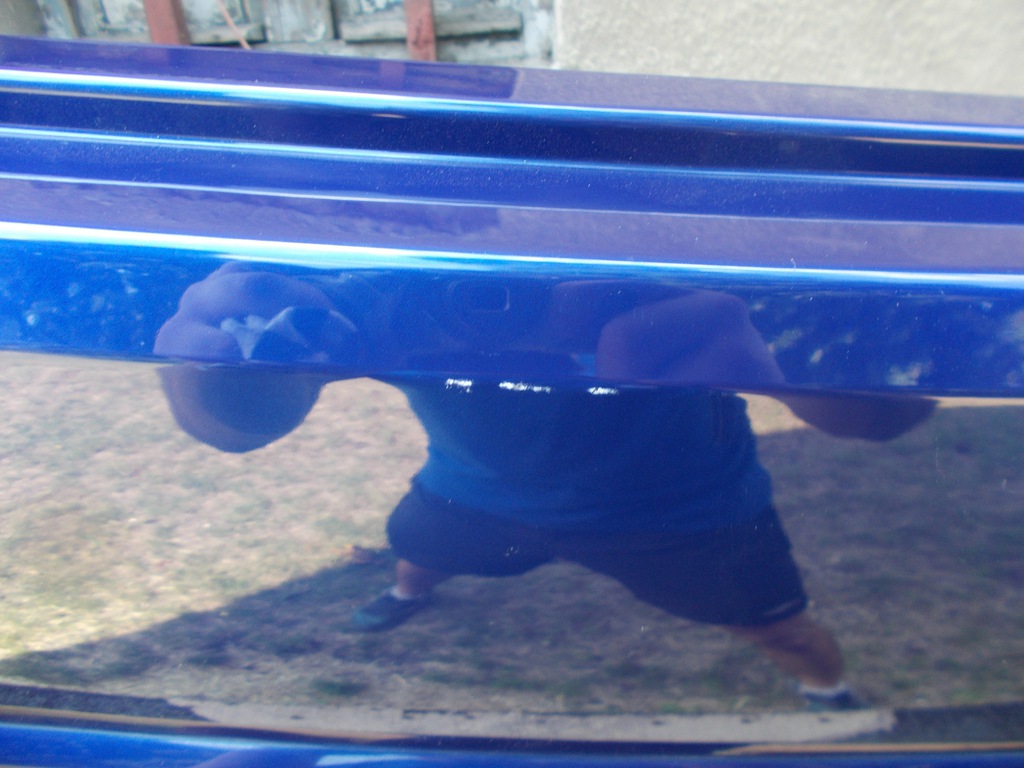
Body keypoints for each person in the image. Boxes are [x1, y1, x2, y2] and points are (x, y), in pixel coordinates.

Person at [155, 265, 935, 711]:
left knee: (782, 631)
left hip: (686, 515)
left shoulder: (689, 280)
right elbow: (235, 427)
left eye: (550, 272)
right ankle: (408, 591)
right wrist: (213, 377)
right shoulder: (387, 290)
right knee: (417, 548)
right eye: (472, 272)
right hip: (477, 495)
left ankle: (828, 695)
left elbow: (883, 418)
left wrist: (773, 367)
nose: (504, 299)